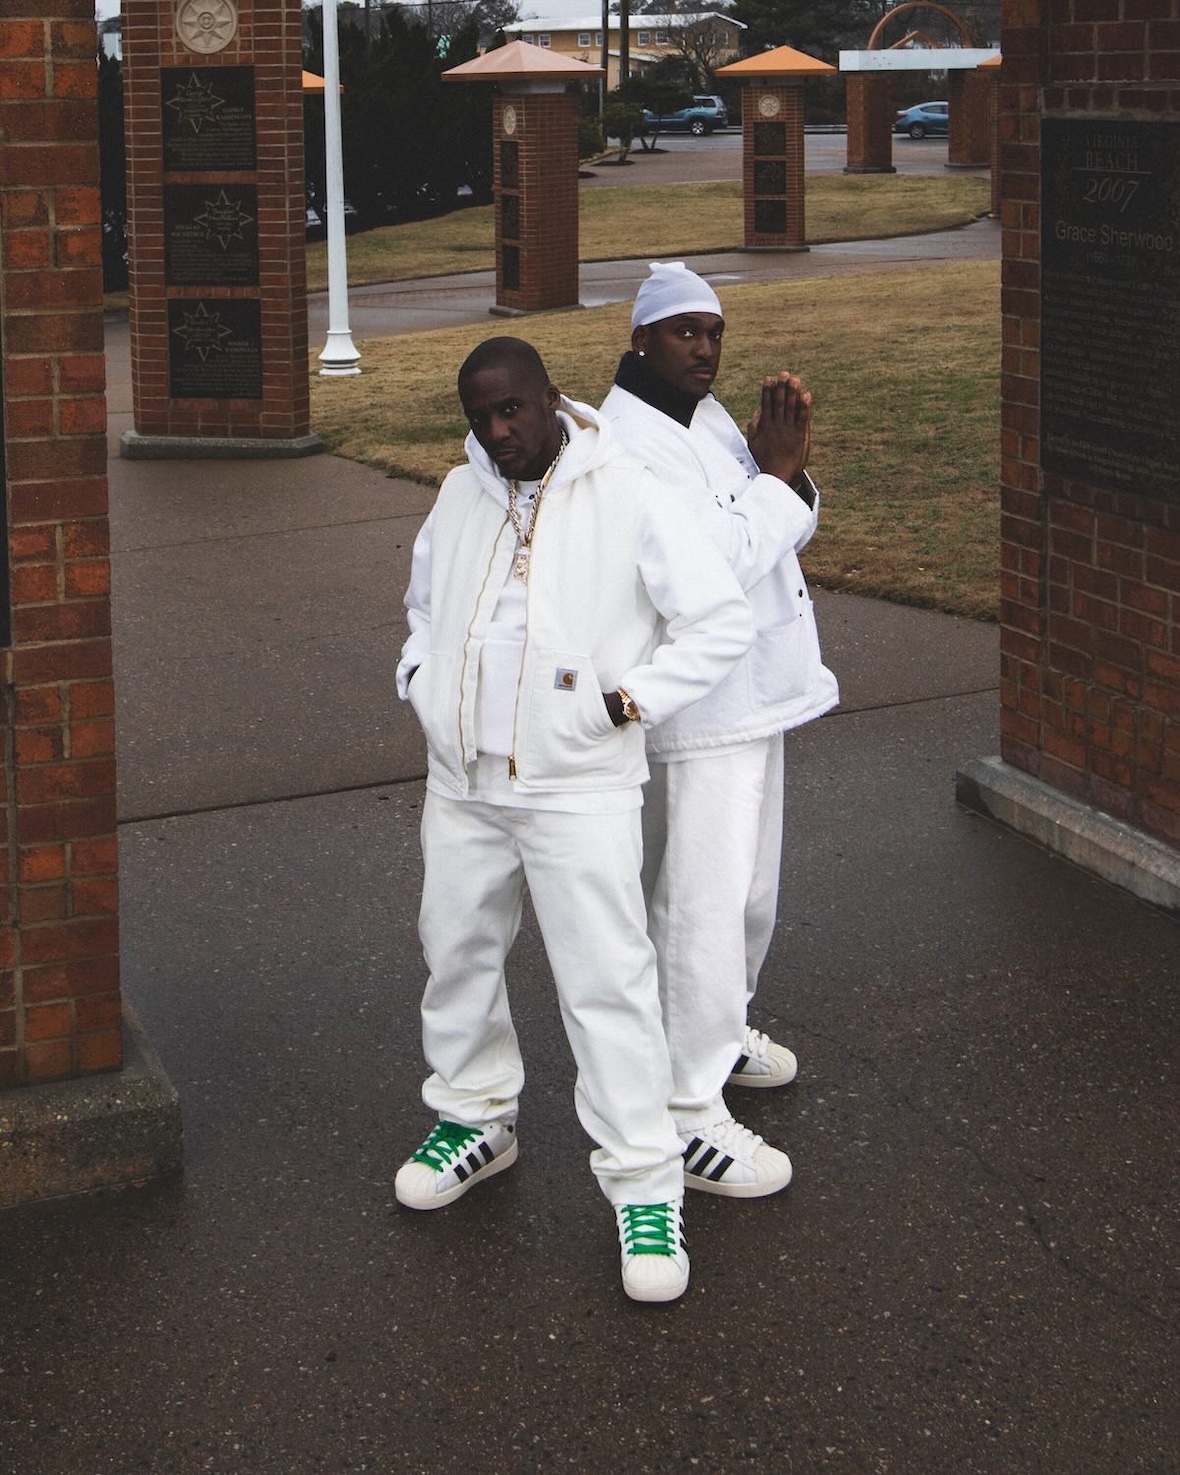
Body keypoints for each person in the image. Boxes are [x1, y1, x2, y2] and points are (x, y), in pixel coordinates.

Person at [393, 336, 754, 1303]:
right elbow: (424, 611)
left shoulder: (626, 488)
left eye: (512, 409)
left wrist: (625, 702)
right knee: (456, 948)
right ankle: (476, 1115)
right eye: (480, 416)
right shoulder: (458, 494)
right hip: (464, 778)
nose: (497, 431)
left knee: (608, 983)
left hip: (578, 780)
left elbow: (719, 618)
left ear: (551, 396)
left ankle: (644, 1181)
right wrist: (422, 684)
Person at [600, 261, 839, 1200]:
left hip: (757, 693)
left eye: (715, 333)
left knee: (747, 892)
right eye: (685, 332)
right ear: (641, 341)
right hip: (700, 711)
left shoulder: (699, 417)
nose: (705, 348)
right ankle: (684, 1110)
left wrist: (789, 472)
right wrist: (775, 479)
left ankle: (718, 1023)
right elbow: (717, 559)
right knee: (698, 901)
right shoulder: (629, 443)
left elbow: (779, 528)